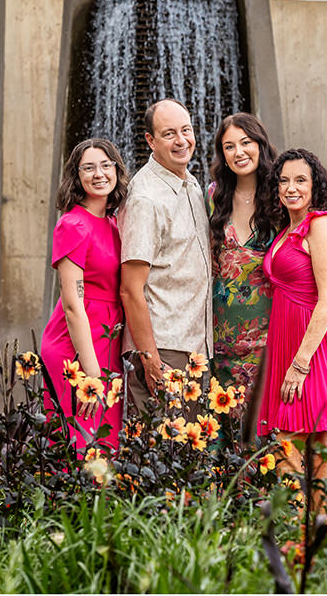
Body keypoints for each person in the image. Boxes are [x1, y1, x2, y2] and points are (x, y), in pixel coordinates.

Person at [257, 148, 327, 498]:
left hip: (310, 348)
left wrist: (300, 364)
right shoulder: (289, 227)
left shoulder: (320, 224)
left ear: (316, 185)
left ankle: (293, 536)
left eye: (301, 180)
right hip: (289, 340)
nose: (291, 188)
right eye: (284, 181)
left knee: (287, 445)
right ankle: (321, 537)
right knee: (317, 443)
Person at [119, 98, 212, 420]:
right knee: (160, 458)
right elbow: (131, 289)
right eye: (169, 133)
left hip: (194, 345)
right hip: (164, 347)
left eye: (186, 130)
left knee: (187, 457)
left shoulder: (191, 184)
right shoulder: (145, 198)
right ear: (150, 141)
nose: (181, 140)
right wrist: (150, 359)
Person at [41, 138, 128, 452]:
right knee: (80, 442)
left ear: (117, 170)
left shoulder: (114, 223)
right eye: (88, 168)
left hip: (108, 337)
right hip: (76, 344)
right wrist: (90, 370)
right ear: (76, 177)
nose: (99, 173)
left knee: (105, 438)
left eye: (106, 165)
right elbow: (72, 303)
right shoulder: (73, 225)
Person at [207, 113, 279, 419]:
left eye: (246, 142)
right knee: (227, 436)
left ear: (260, 143)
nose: (239, 152)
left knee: (270, 435)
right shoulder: (213, 196)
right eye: (229, 146)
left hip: (270, 336)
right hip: (223, 338)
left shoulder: (281, 195)